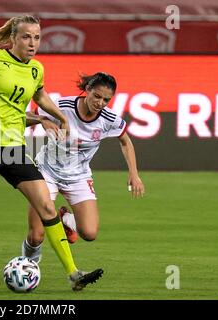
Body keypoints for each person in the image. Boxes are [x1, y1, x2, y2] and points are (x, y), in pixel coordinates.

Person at [0, 15, 103, 291]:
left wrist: (59, 117)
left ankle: (73, 273)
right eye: (27, 37)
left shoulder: (36, 69)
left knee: (47, 206)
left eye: (37, 37)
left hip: (13, 148)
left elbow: (39, 97)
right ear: (13, 38)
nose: (32, 43)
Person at [22, 72, 145, 263]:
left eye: (106, 99)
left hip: (78, 176)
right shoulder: (62, 106)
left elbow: (125, 141)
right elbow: (24, 118)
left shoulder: (109, 119)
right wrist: (41, 120)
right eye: (97, 96)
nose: (100, 103)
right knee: (36, 235)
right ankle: (28, 265)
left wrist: (134, 173)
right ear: (87, 90)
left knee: (89, 233)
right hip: (47, 172)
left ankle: (66, 219)